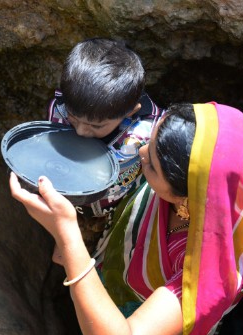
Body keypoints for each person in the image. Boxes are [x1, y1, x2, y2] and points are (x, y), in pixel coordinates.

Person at [10, 101, 243, 335]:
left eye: (153, 167)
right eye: (152, 139)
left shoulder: (210, 274)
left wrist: (67, 235)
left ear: (187, 199)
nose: (142, 152)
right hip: (109, 285)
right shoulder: (222, 194)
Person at [46, 38, 164, 220]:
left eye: (96, 125)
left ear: (130, 111)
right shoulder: (61, 107)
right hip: (68, 201)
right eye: (74, 118)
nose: (81, 131)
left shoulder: (149, 130)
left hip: (118, 206)